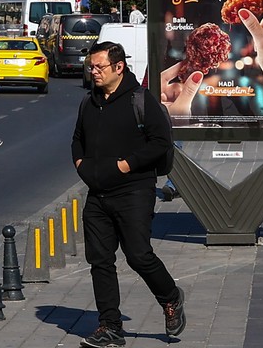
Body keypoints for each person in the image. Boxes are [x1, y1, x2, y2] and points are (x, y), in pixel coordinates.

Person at [71, 41, 185, 347]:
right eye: (90, 67)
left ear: (118, 67)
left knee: (138, 255)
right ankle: (110, 327)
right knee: (100, 261)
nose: (93, 72)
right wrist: (82, 165)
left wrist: (124, 165)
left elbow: (160, 142)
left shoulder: (140, 100)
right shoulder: (89, 101)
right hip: (97, 194)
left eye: (99, 67)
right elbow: (77, 139)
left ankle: (170, 297)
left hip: (134, 190)